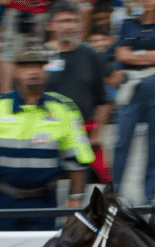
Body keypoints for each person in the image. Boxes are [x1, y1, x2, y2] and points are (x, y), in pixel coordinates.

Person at [0, 46, 94, 247]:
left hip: (44, 201)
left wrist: (75, 201)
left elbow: (78, 161)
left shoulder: (63, 109)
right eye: (26, 67)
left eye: (38, 67)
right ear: (15, 72)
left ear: (46, 72)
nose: (33, 72)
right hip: (6, 199)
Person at [111, 0, 155, 203]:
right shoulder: (127, 24)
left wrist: (136, 55)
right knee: (122, 140)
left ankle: (149, 195)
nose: (146, 2)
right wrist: (151, 55)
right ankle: (113, 192)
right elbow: (121, 53)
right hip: (132, 84)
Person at [43, 0, 112, 184]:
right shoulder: (40, 57)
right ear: (50, 25)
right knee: (50, 188)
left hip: (84, 135)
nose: (68, 26)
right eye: (63, 21)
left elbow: (103, 101)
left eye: (73, 20)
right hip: (50, 136)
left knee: (88, 192)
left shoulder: (91, 55)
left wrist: (97, 136)